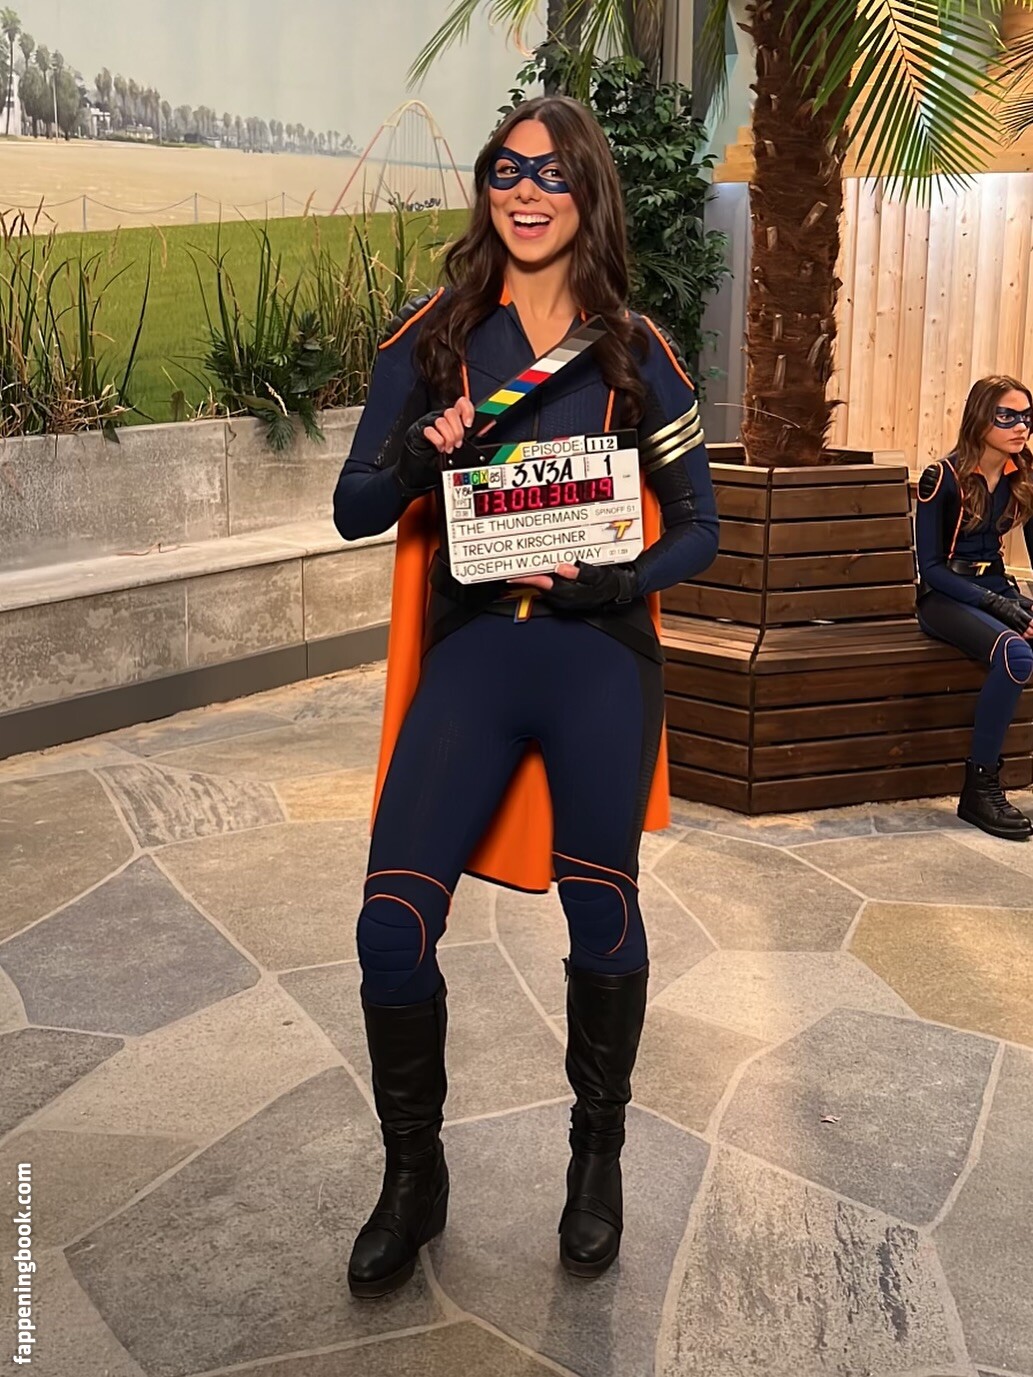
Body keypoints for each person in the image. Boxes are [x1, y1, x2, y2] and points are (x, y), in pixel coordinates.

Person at [332, 94, 719, 1299]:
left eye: (552, 172)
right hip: (475, 657)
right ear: (486, 187)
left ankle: (594, 1163)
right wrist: (420, 455)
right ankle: (414, 1177)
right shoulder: (431, 340)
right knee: (390, 930)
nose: (527, 191)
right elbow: (352, 508)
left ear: (587, 190)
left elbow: (700, 526)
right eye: (506, 169)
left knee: (602, 913)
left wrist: (624, 576)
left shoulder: (635, 350)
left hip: (598, 657)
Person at [915, 375, 1033, 839]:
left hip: (997, 588)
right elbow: (931, 570)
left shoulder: (1023, 474)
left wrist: (1013, 603)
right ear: (980, 418)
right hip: (945, 597)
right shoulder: (942, 477)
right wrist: (996, 604)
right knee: (1015, 653)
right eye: (1007, 416)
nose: (1020, 426)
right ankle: (979, 788)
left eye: (1026, 416)